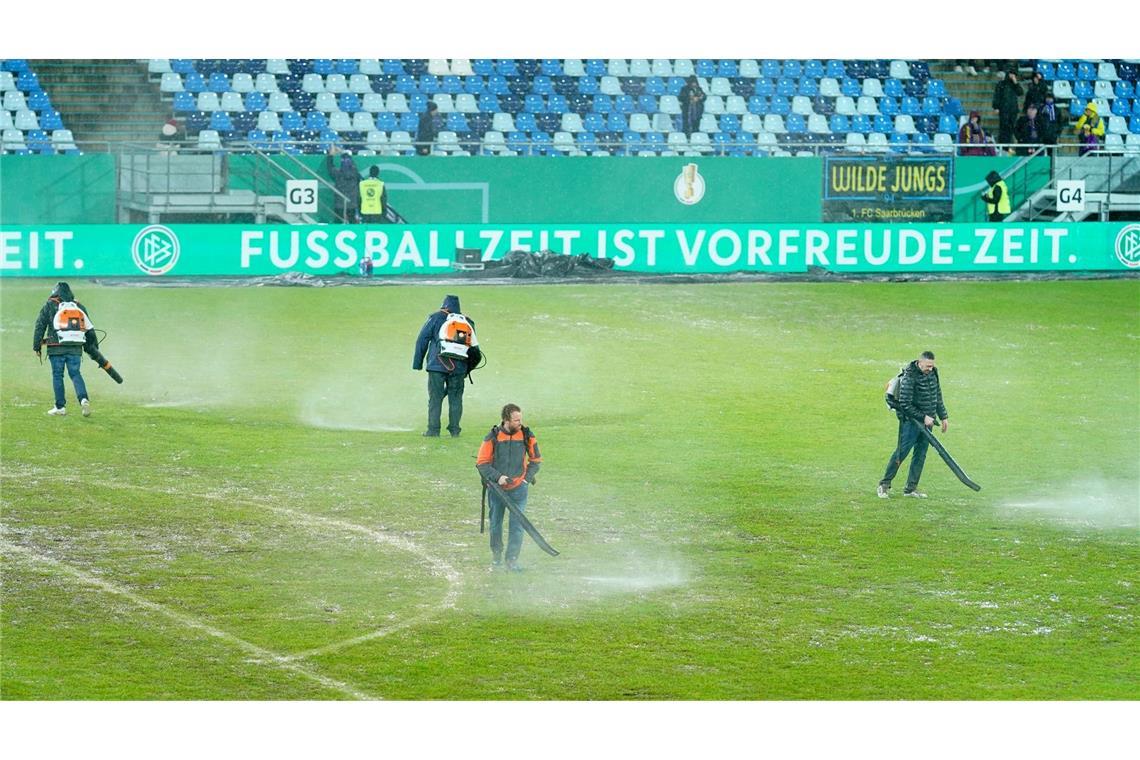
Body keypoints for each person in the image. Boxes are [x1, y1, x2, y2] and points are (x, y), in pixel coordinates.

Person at [476, 403, 542, 571]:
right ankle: (496, 556)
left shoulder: (527, 435)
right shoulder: (492, 437)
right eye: (516, 420)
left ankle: (512, 560)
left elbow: (535, 460)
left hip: (519, 489)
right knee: (496, 524)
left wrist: (526, 480)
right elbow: (482, 464)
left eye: (520, 419)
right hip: (497, 491)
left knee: (517, 526)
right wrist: (499, 478)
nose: (519, 423)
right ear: (506, 420)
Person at [877, 351, 949, 499]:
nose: (930, 368)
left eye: (932, 365)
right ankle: (884, 485)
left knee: (920, 455)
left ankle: (910, 489)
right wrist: (923, 417)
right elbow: (905, 404)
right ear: (920, 362)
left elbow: (937, 395)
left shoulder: (933, 373)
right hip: (911, 422)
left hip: (927, 422)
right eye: (928, 366)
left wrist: (943, 417)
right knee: (901, 453)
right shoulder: (909, 377)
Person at [412, 294, 479, 438]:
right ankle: (455, 430)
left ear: (444, 306)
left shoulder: (436, 317)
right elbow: (474, 350)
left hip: (437, 366)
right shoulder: (467, 322)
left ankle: (433, 430)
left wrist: (417, 363)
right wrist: (467, 370)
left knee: (435, 398)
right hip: (459, 368)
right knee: (456, 399)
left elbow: (422, 340)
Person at [32, 282, 96, 417]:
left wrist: (37, 346)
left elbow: (40, 325)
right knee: (75, 373)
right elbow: (89, 328)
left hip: (56, 348)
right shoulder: (78, 306)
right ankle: (83, 399)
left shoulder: (50, 305)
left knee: (57, 375)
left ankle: (60, 407)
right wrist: (93, 347)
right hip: (75, 347)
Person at [324, 145, 360, 222]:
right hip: (352, 204)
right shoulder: (355, 173)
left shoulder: (338, 174)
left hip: (340, 204)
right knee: (352, 224)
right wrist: (343, 152)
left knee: (338, 224)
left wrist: (331, 155)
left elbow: (330, 166)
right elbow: (352, 163)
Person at [991, 70, 1023, 150]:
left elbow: (1020, 92)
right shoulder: (1001, 84)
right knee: (1003, 128)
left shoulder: (1015, 85)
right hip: (1003, 110)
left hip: (1013, 110)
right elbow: (997, 96)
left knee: (1012, 128)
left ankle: (1009, 146)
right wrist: (996, 107)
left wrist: (1015, 82)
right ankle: (1003, 146)